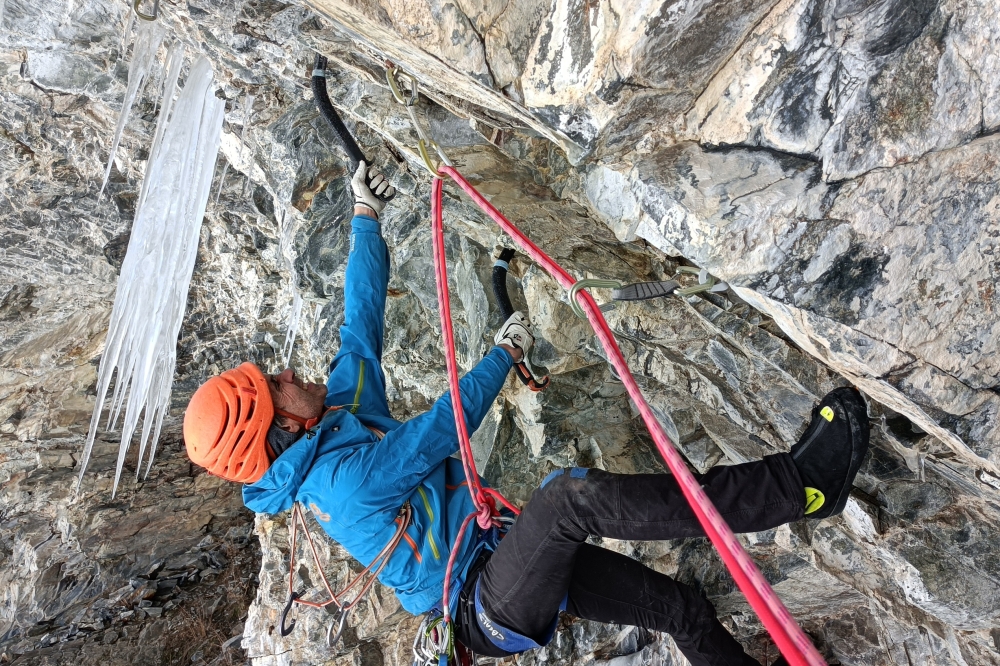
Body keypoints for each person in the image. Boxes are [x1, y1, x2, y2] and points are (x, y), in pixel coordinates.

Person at [182, 162, 870, 666]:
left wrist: (364, 216)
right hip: (487, 601)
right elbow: (442, 431)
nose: (290, 373)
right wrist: (500, 357)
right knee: (568, 500)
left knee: (678, 609)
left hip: (503, 561)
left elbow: (358, 330)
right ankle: (800, 489)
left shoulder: (331, 422)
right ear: (280, 427)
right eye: (276, 384)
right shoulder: (342, 484)